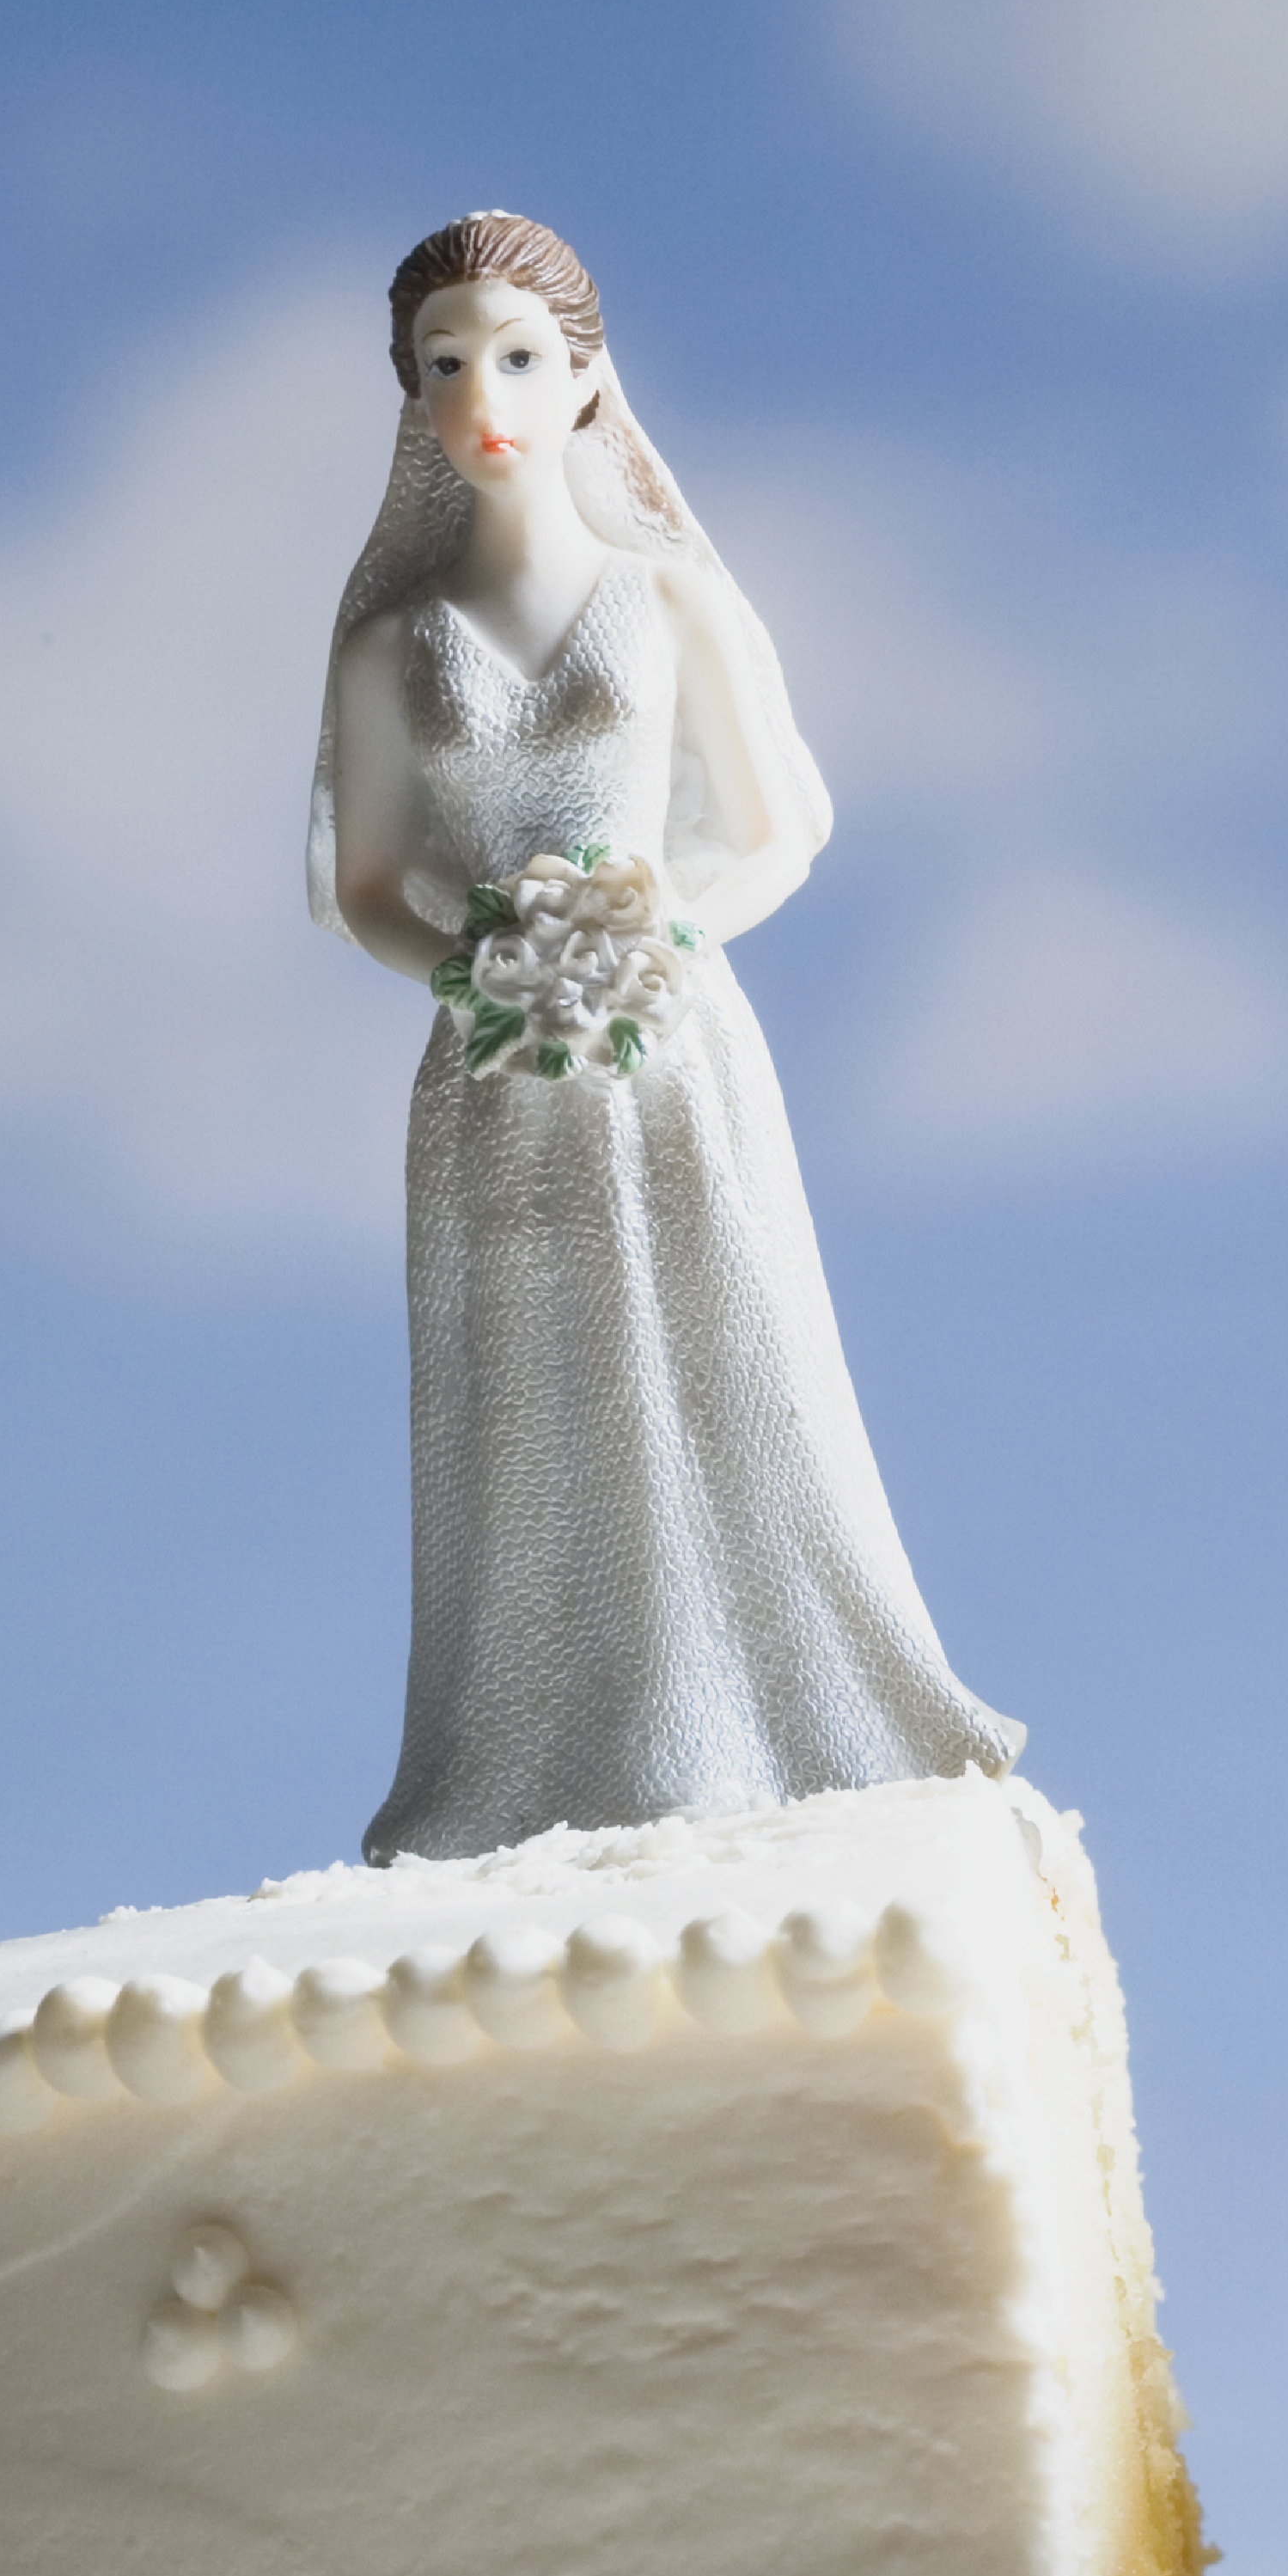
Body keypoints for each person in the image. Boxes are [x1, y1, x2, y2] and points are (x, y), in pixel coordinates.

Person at [312, 211, 1019, 1858]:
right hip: (493, 1075)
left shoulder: (665, 603)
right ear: (411, 398)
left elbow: (771, 831)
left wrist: (639, 939)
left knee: (723, 1358)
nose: (482, 394)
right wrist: (487, 967)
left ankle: (786, 1721)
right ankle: (546, 1755)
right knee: (534, 1397)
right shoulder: (386, 647)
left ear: (583, 382)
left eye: (519, 358)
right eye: (444, 366)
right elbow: (365, 886)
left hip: (665, 1048)